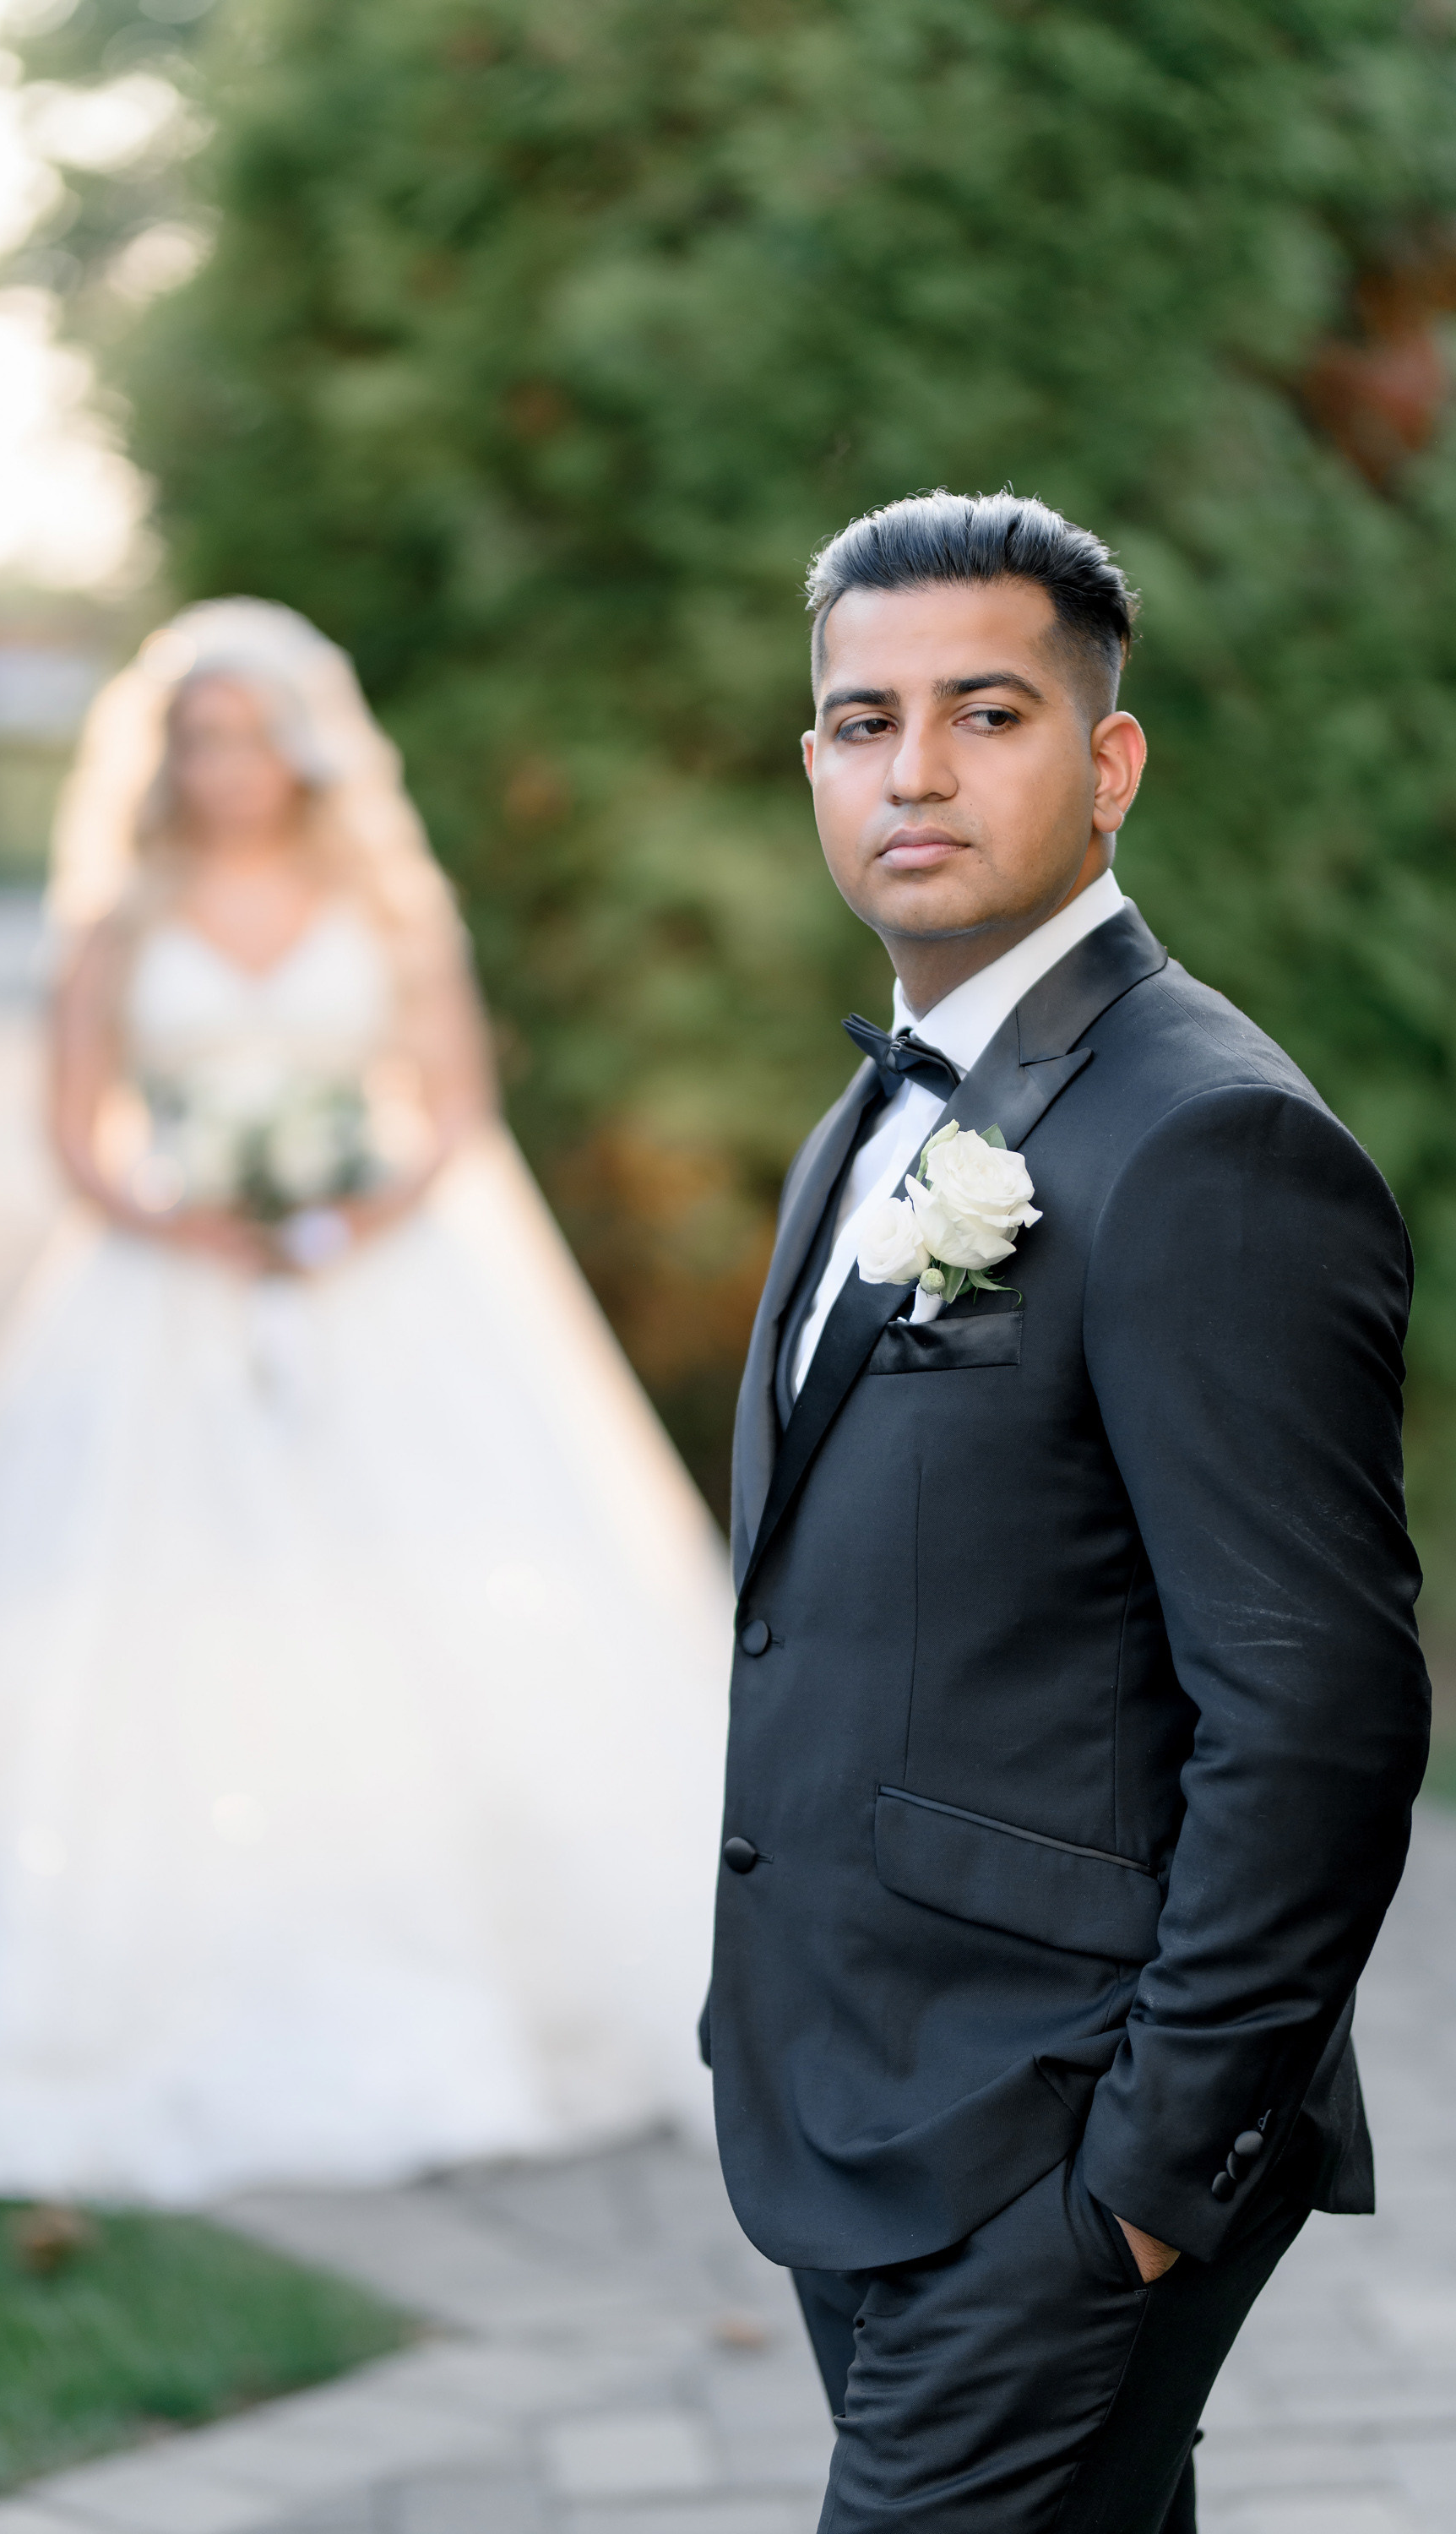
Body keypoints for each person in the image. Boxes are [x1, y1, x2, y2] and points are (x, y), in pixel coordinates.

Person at [0, 598, 731, 2206]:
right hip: (164, 1298)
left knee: (434, 1609)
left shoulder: (388, 903)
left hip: (384, 1288)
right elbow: (76, 1134)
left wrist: (355, 1209)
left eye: (247, 734)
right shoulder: (117, 920)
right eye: (195, 737)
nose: (223, 766)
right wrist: (188, 1221)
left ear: (302, 747)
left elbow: (453, 1107)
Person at [703, 493, 1428, 2531]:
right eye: (858, 722)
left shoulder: (1207, 1143)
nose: (910, 770)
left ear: (1106, 764)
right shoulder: (882, 1105)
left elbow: (1320, 1714)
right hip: (865, 2096)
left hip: (1054, 2147)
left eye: (985, 711)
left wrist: (1144, 2183)